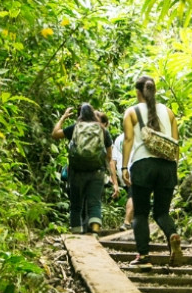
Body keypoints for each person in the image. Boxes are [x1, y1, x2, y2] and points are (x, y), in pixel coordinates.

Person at [121, 75, 183, 265]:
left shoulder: (131, 112)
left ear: (137, 92)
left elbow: (129, 140)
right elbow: (175, 144)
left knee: (140, 213)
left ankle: (144, 256)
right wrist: (173, 169)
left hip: (142, 165)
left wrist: (124, 166)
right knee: (161, 212)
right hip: (167, 167)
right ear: (154, 90)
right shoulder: (170, 112)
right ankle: (172, 234)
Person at [52, 103, 118, 234]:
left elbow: (55, 134)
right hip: (97, 172)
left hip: (76, 171)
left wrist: (63, 117)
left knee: (76, 205)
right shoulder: (103, 130)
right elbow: (109, 156)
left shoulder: (75, 128)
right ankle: (94, 231)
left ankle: (76, 232)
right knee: (95, 203)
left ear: (80, 115)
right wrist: (113, 179)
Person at [112, 131, 135, 230]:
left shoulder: (119, 138)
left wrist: (115, 181)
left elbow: (113, 161)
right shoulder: (138, 136)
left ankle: (133, 221)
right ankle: (127, 222)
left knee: (132, 194)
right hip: (134, 169)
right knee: (134, 195)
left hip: (122, 171)